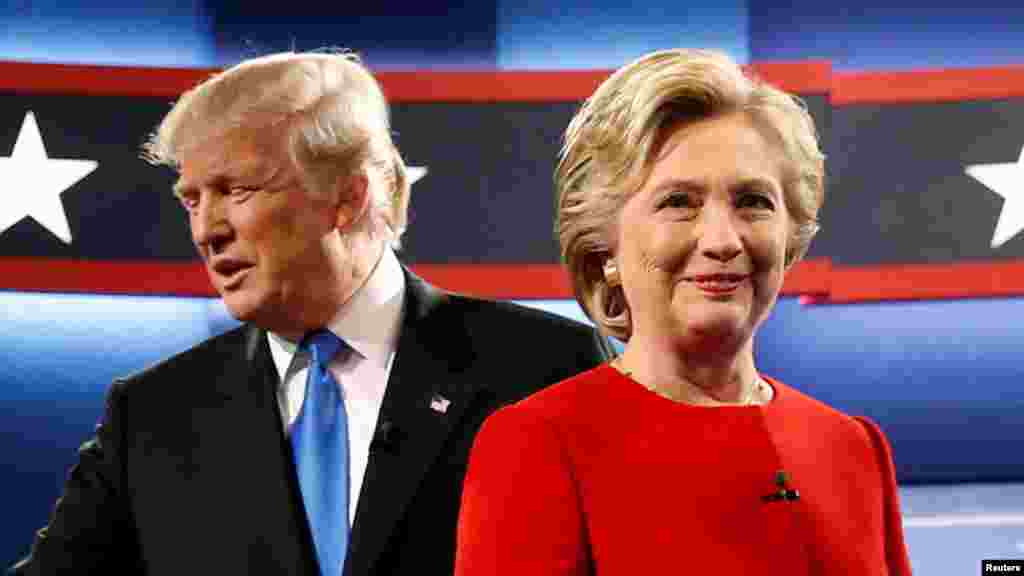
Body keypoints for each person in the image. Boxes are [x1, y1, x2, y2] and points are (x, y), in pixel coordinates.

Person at [10, 51, 611, 576]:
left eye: (237, 191)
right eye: (192, 200)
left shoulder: (543, 370)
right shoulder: (152, 417)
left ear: (348, 197)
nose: (206, 230)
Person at [455, 48, 912, 575]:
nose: (722, 240)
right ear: (604, 249)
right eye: (678, 202)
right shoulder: (538, 446)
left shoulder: (852, 448)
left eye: (753, 201)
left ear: (791, 235)